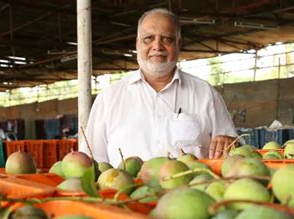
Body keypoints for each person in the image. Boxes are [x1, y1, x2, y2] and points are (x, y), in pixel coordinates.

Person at [80, 8, 237, 167]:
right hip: (125, 190)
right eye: (148, 38)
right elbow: (91, 162)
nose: (157, 46)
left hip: (190, 189)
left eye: (167, 39)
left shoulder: (205, 93)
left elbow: (234, 152)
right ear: (137, 44)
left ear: (178, 44)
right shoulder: (109, 98)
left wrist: (230, 144)